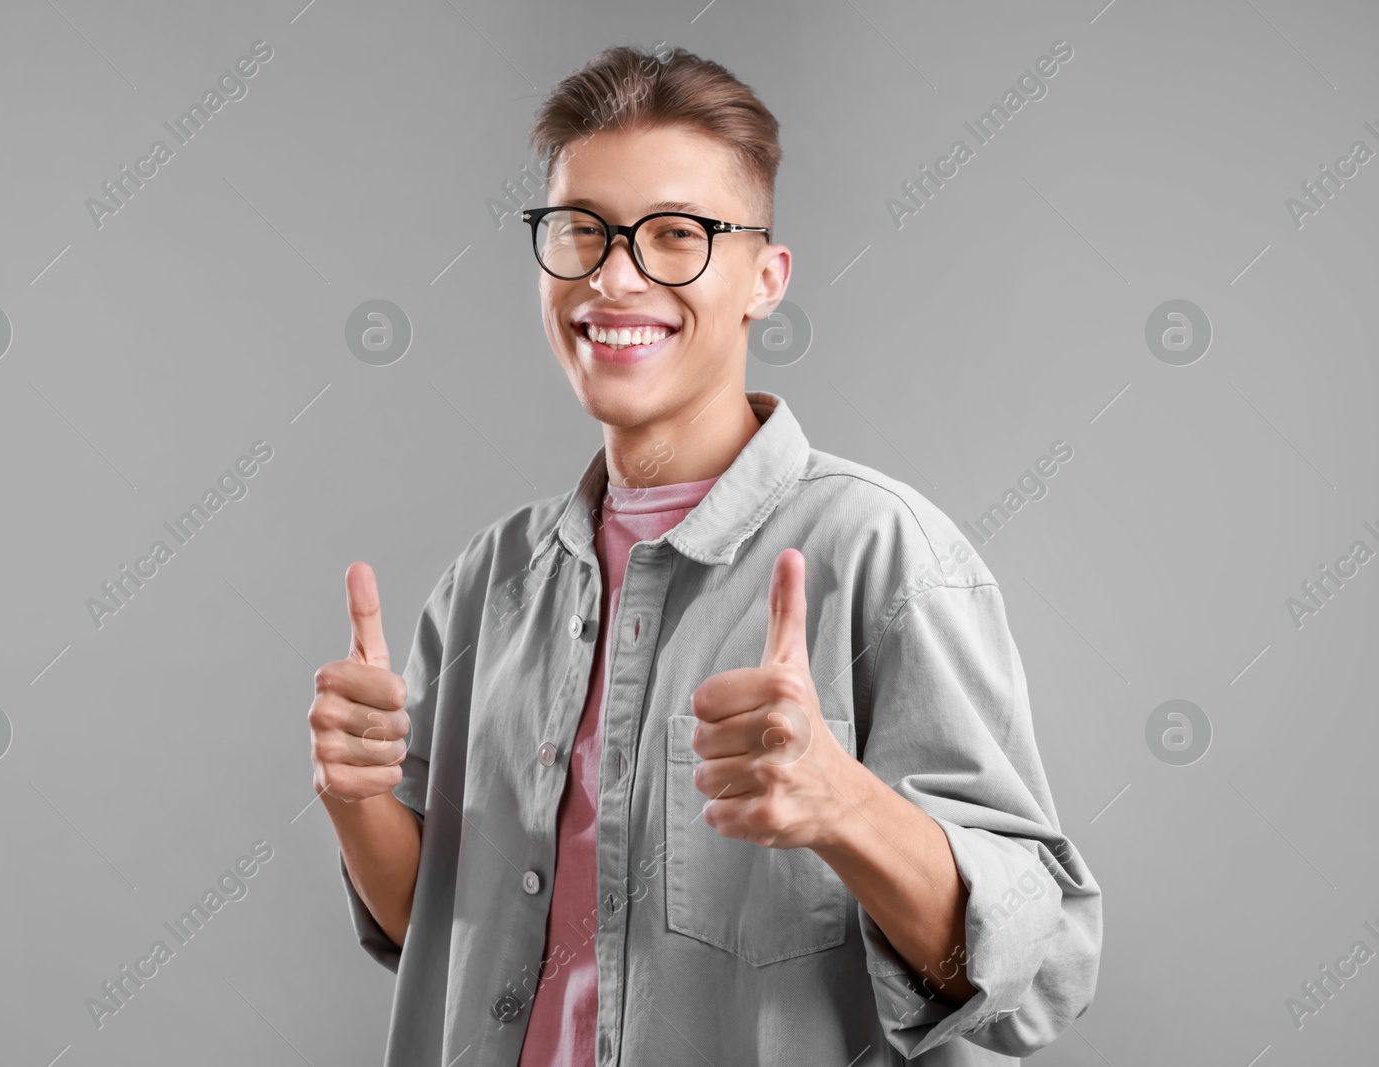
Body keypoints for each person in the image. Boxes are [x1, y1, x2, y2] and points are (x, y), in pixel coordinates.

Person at [310, 44, 1102, 1067]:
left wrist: (844, 804)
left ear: (763, 279)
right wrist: (356, 797)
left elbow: (1041, 975)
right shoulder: (488, 581)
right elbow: (438, 931)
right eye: (580, 230)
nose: (612, 273)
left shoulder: (879, 554)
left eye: (675, 235)